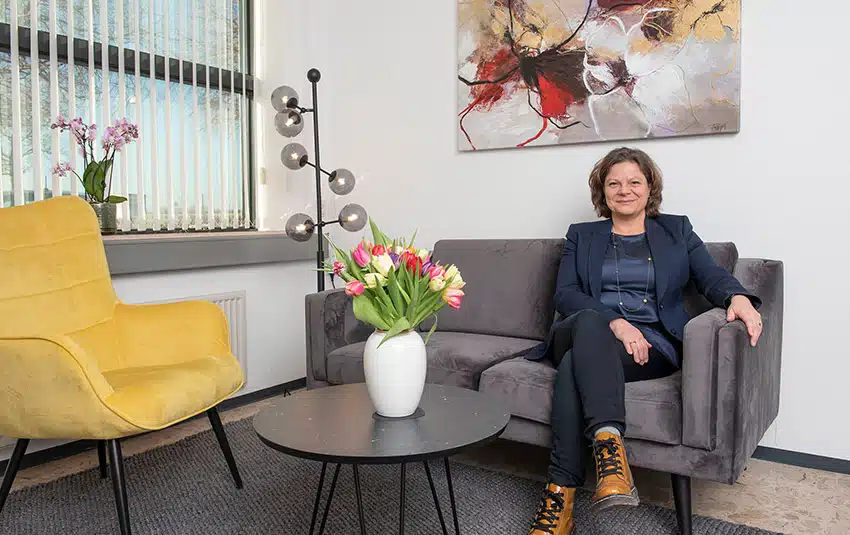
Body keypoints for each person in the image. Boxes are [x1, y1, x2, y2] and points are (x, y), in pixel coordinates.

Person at [525, 147, 763, 535]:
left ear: (650, 187)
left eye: (634, 181)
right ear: (602, 192)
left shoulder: (676, 231)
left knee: (573, 367)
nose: (625, 190)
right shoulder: (582, 235)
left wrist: (736, 296)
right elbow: (565, 294)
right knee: (590, 322)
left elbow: (710, 275)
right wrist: (616, 323)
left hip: (651, 345)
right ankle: (609, 451)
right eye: (614, 183)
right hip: (585, 329)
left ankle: (560, 502)